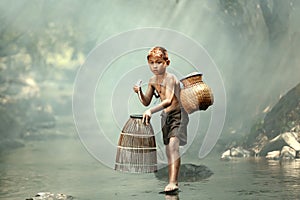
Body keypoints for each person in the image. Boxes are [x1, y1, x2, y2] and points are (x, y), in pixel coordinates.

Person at [133, 46, 189, 192]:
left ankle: (173, 182)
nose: (155, 66)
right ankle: (171, 181)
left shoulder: (171, 78)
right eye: (151, 63)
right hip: (166, 116)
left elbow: (169, 100)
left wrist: (151, 111)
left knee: (173, 146)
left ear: (166, 63)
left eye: (158, 62)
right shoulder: (152, 80)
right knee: (168, 150)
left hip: (178, 114)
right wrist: (139, 92)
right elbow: (146, 101)